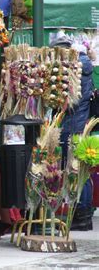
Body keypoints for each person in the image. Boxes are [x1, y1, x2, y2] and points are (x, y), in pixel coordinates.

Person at [51, 33, 94, 231]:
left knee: (76, 170)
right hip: (79, 124)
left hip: (73, 126)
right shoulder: (84, 67)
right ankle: (83, 214)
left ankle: (82, 214)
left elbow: (69, 103)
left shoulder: (73, 69)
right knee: (78, 170)